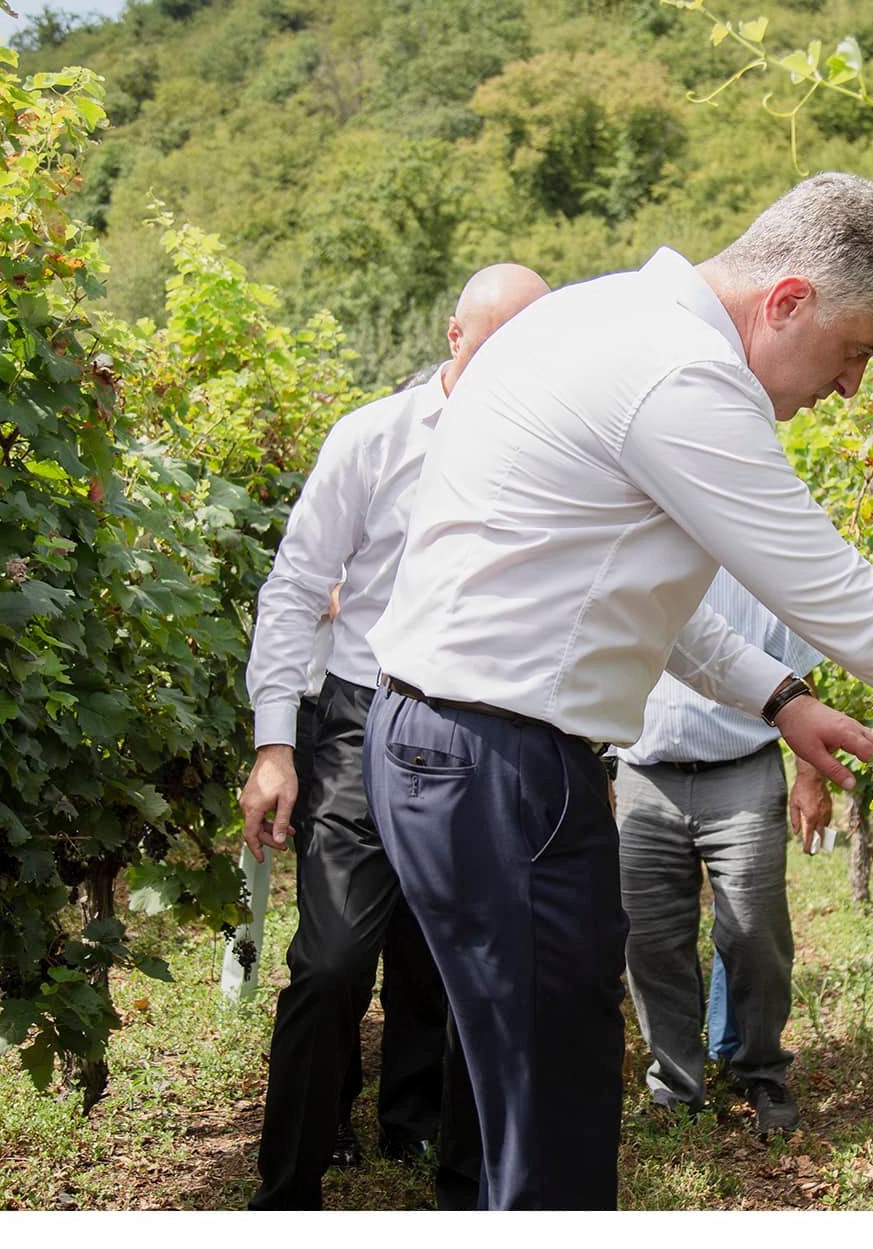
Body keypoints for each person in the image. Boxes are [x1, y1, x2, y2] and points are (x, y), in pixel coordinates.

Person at [364, 172, 873, 1210]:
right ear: (789, 300)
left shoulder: (598, 316)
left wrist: (780, 701)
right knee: (556, 1123)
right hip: (501, 771)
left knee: (520, 1101)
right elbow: (850, 607)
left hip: (447, 748)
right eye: (858, 351)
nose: (852, 387)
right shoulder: (682, 375)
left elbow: (621, 595)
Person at [238, 263, 551, 1211]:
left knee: (449, 966)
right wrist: (275, 742)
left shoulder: (551, 450)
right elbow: (298, 585)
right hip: (359, 717)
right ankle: (286, 1191)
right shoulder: (372, 437)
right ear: (453, 334)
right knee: (330, 962)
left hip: (476, 729)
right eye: (493, 346)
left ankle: (434, 1149)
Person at [613, 569, 829, 1135]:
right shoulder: (635, 558)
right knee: (650, 940)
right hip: (644, 775)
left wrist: (811, 774)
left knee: (755, 931)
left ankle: (760, 1069)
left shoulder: (752, 570)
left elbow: (798, 677)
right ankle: (675, 1084)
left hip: (742, 771)